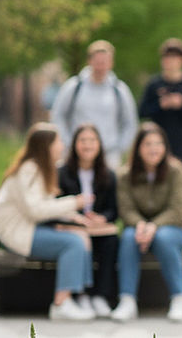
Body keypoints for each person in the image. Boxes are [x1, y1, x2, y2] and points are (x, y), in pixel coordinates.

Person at [0, 122, 98, 320]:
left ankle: (80, 295)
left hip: (27, 228)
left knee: (81, 236)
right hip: (13, 232)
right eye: (58, 142)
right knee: (73, 243)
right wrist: (74, 202)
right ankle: (61, 303)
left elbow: (44, 205)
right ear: (47, 146)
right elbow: (36, 210)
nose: (62, 146)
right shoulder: (29, 170)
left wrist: (72, 217)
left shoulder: (40, 168)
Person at [110, 123, 182, 322]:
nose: (153, 149)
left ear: (165, 147)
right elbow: (126, 209)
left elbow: (177, 209)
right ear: (138, 147)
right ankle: (127, 300)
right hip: (137, 229)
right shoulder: (125, 174)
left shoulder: (176, 171)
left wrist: (153, 226)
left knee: (163, 238)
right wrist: (140, 224)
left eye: (158, 143)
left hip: (172, 229)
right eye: (147, 144)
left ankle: (179, 298)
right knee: (128, 238)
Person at [57, 124, 121, 318]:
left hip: (98, 228)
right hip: (72, 226)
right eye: (82, 140)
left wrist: (102, 218)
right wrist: (78, 218)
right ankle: (81, 294)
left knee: (111, 242)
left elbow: (114, 209)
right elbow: (57, 204)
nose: (87, 145)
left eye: (92, 140)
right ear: (74, 144)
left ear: (99, 145)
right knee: (80, 243)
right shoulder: (62, 173)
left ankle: (100, 295)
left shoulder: (108, 175)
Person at [51, 40, 139, 166]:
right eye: (97, 62)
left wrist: (120, 148)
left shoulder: (119, 90)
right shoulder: (74, 86)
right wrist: (67, 142)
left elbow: (130, 122)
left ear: (111, 63)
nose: (100, 67)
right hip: (76, 154)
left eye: (104, 62)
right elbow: (58, 115)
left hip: (109, 156)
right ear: (89, 61)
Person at [139, 38, 182, 170]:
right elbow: (142, 112)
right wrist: (160, 105)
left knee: (180, 177)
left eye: (174, 58)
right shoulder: (154, 84)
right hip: (156, 143)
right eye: (167, 57)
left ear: (181, 60)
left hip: (181, 143)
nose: (170, 62)